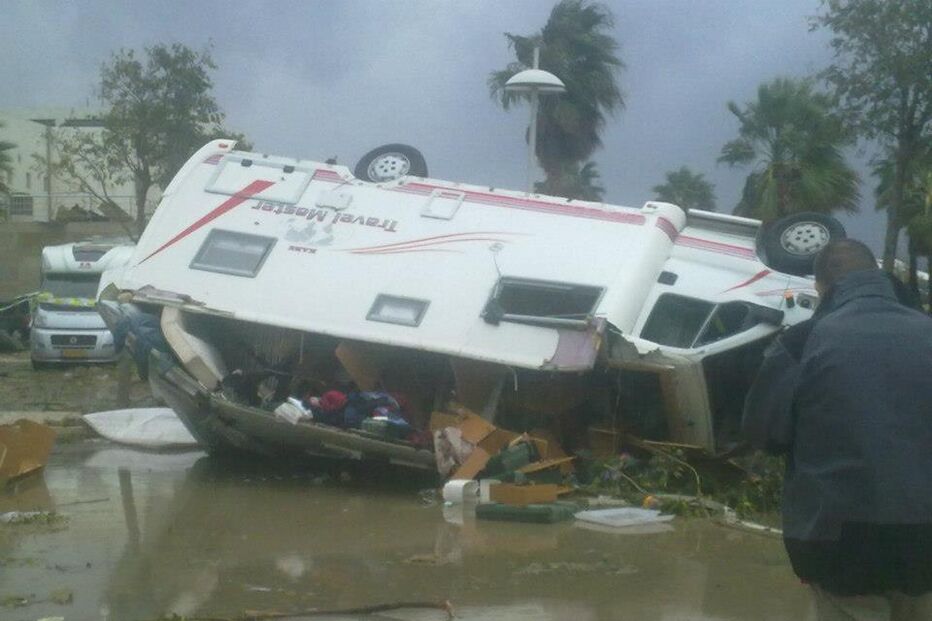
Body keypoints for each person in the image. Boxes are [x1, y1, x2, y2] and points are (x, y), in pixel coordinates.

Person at [742, 239, 932, 620]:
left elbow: (762, 433)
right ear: (880, 277)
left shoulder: (803, 341)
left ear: (822, 285)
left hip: (840, 539)